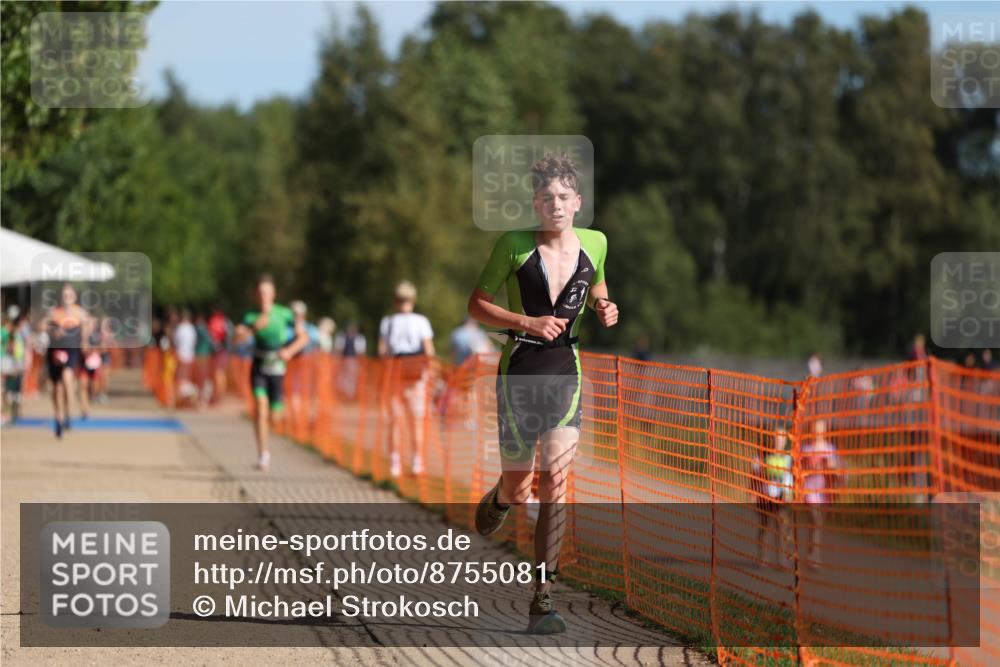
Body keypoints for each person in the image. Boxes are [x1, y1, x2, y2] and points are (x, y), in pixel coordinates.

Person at [467, 153, 618, 634]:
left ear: (577, 202)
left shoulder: (596, 242)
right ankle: (502, 495)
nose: (555, 205)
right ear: (536, 203)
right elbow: (476, 306)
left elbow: (596, 283)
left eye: (563, 197)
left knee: (556, 480)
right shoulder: (512, 244)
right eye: (546, 198)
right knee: (522, 485)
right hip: (519, 373)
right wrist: (526, 321)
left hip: (565, 375)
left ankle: (542, 597)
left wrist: (604, 306)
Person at [232, 275, 308, 472]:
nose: (263, 296)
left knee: (275, 416)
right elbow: (235, 340)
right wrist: (253, 328)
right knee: (260, 407)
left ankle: (275, 427)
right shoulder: (250, 316)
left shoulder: (284, 314)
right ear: (255, 295)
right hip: (258, 365)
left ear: (273, 294)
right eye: (259, 293)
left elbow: (304, 337)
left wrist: (290, 351)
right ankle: (263, 454)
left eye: (266, 292)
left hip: (277, 367)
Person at [378, 281, 435, 478]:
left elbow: (383, 352)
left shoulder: (388, 322)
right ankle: (417, 462)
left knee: (395, 421)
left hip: (395, 375)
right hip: (416, 377)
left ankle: (395, 463)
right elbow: (428, 351)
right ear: (414, 299)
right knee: (416, 421)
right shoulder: (421, 321)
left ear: (395, 300)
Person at [41, 283, 92, 438]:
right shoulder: (54, 312)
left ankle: (69, 414)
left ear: (74, 297)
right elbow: (42, 325)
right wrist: (54, 330)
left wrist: (84, 340)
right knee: (56, 387)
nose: (67, 297)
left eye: (69, 294)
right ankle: (58, 417)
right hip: (55, 351)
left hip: (71, 350)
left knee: (67, 379)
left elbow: (87, 325)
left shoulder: (79, 312)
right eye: (64, 294)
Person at [800, 419, 842, 569]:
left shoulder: (829, 449)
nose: (817, 432)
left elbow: (837, 470)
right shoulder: (806, 449)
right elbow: (800, 471)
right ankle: (814, 554)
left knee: (817, 525)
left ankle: (813, 553)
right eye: (815, 429)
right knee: (815, 520)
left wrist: (831, 467)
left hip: (824, 492)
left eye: (820, 429)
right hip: (809, 491)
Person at [750, 428, 793, 565]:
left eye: (781, 438)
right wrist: (753, 491)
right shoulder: (762, 457)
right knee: (765, 526)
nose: (778, 441)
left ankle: (781, 559)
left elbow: (789, 477)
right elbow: (754, 476)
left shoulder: (787, 458)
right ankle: (762, 557)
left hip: (780, 497)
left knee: (781, 527)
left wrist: (788, 494)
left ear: (785, 440)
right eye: (776, 437)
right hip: (764, 496)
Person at [2, 308, 27, 425]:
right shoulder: (6, 332)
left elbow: (18, 349)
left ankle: (13, 414)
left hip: (14, 363)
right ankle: (7, 415)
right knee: (7, 391)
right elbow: (9, 349)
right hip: (8, 363)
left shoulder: (17, 333)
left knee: (13, 391)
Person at [334, 322, 366, 400]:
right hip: (343, 360)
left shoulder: (359, 338)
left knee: (352, 379)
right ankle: (342, 394)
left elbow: (361, 352)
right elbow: (338, 350)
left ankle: (349, 395)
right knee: (342, 378)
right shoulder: (341, 337)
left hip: (353, 361)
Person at [173, 310, 198, 405]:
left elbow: (176, 341)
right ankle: (187, 396)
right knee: (187, 377)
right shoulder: (192, 328)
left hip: (181, 355)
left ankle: (182, 395)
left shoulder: (180, 328)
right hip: (190, 356)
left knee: (181, 377)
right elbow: (194, 341)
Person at [207, 306, 231, 402]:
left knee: (219, 373)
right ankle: (219, 394)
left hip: (220, 351)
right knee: (220, 373)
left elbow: (215, 336)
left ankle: (219, 395)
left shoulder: (217, 321)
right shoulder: (225, 322)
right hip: (221, 351)